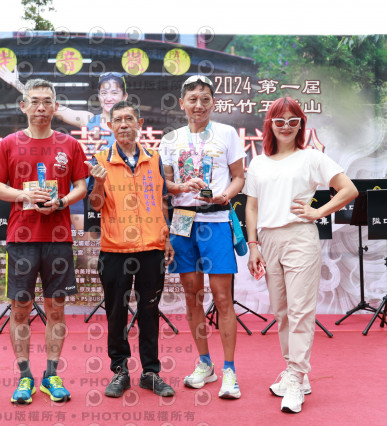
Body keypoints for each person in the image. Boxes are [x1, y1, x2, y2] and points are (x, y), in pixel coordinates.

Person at [244, 96, 358, 413]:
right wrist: (253, 246)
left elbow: (349, 190)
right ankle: (295, 371)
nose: (285, 126)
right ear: (270, 125)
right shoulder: (258, 163)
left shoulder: (311, 158)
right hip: (268, 240)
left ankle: (295, 377)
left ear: (300, 125)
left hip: (300, 238)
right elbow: (251, 206)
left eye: (292, 121)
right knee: (281, 311)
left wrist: (317, 212)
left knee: (300, 311)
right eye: (279, 121)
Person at [0, 78, 88, 405]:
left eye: (46, 101)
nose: (41, 107)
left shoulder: (70, 144)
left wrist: (62, 202)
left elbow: (82, 187)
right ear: (23, 106)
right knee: (20, 308)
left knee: (56, 308)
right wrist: (24, 195)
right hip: (21, 238)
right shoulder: (9, 143)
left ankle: (51, 375)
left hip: (58, 237)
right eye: (34, 101)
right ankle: (24, 376)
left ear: (55, 107)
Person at [159, 75, 245, 399]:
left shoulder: (227, 133)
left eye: (205, 99)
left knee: (222, 298)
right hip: (182, 221)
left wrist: (226, 195)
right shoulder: (170, 140)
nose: (199, 105)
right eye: (193, 99)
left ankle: (229, 370)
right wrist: (181, 188)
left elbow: (239, 177)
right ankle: (205, 363)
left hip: (217, 219)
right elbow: (165, 186)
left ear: (213, 103)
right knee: (192, 296)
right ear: (182, 103)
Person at [87, 100, 175, 398]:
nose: (124, 124)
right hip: (115, 250)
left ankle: (151, 372)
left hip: (152, 247)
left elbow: (163, 201)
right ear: (109, 125)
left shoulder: (154, 158)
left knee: (150, 310)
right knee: (116, 312)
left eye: (129, 119)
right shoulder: (100, 159)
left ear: (139, 124)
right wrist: (98, 184)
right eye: (118, 120)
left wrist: (167, 238)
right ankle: (120, 370)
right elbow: (95, 206)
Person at [0, 67, 129, 229]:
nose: (109, 98)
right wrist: (17, 83)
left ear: (124, 96)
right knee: (86, 243)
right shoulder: (88, 119)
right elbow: (53, 107)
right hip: (85, 194)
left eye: (114, 93)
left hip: (117, 193)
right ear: (99, 96)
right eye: (104, 93)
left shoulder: (133, 129)